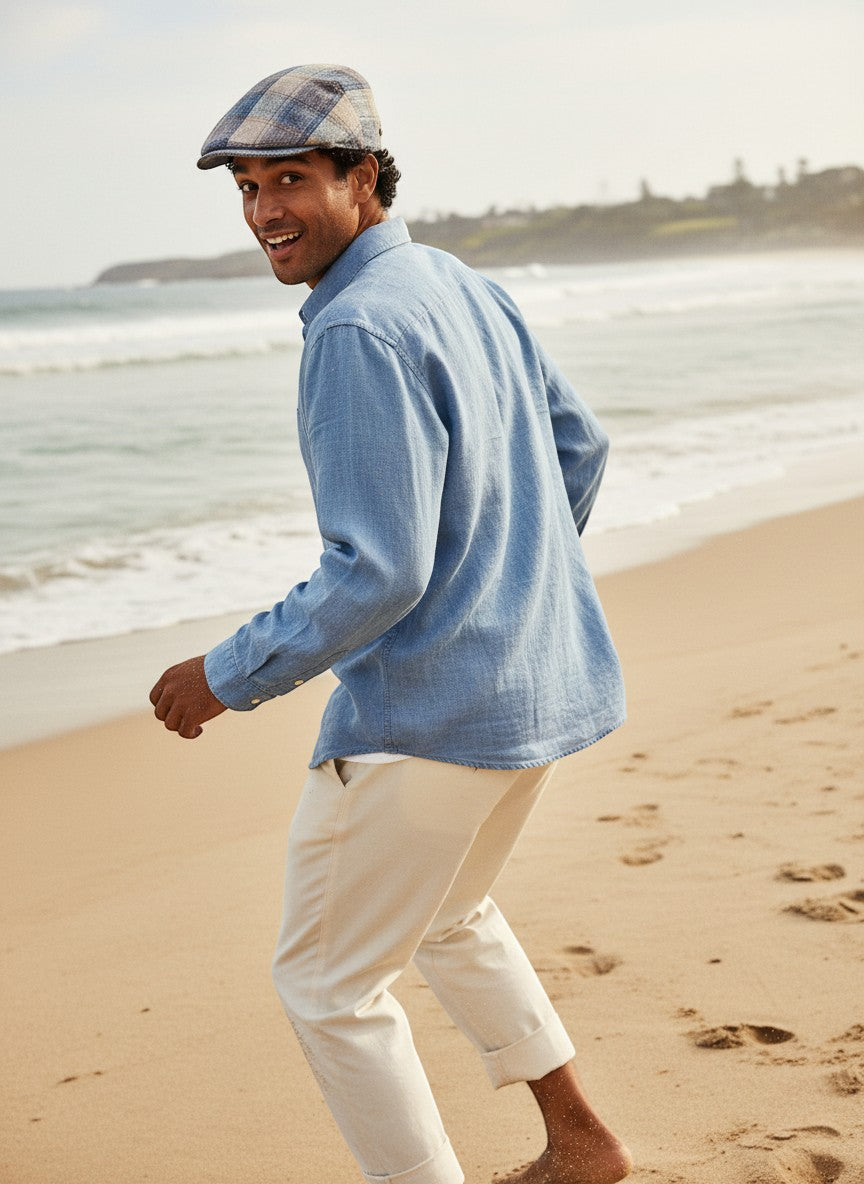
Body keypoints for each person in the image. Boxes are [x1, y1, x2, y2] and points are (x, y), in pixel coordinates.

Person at [149, 64, 632, 1184]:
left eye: (292, 179)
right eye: (246, 187)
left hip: (426, 720)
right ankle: (580, 1138)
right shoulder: (456, 281)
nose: (265, 209)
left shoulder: (356, 329)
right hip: (535, 693)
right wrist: (509, 593)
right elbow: (584, 449)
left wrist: (223, 673)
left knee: (328, 986)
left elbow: (378, 573)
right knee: (451, 910)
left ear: (363, 178)